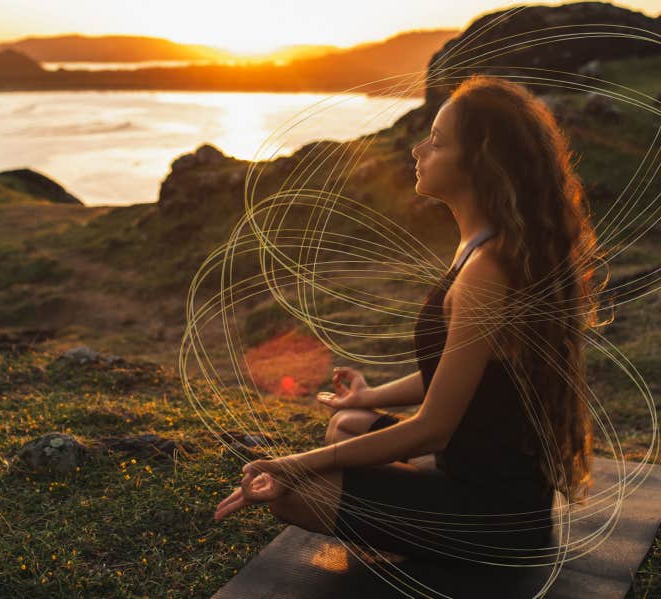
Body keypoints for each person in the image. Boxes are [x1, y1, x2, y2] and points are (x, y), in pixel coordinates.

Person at [213, 75, 603, 567]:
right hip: (464, 471)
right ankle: (404, 509)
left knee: (295, 495)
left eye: (437, 142)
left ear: (480, 164)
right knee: (348, 421)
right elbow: (461, 373)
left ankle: (436, 537)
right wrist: (369, 397)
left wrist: (293, 464)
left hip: (497, 518)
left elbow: (434, 427)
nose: (419, 149)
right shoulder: (480, 247)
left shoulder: (489, 270)